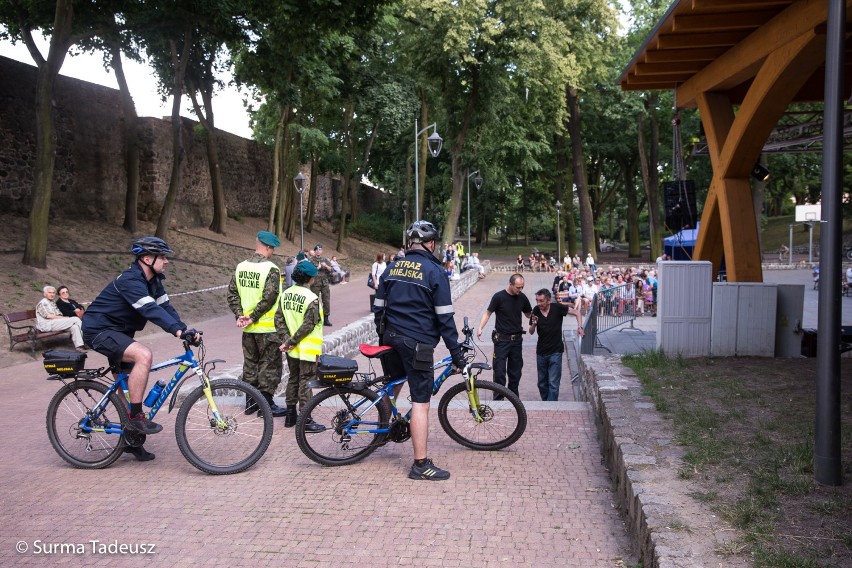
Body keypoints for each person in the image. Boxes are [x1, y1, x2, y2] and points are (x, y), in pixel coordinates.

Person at [82, 237, 195, 462]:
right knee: (144, 355)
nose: (166, 261)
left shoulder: (153, 281)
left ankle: (130, 440)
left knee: (125, 387)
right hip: (99, 330)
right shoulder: (130, 281)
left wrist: (184, 329)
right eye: (162, 257)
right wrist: (177, 332)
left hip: (120, 333)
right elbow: (150, 309)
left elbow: (165, 307)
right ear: (146, 258)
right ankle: (136, 417)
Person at [373, 220, 466, 481]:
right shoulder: (434, 271)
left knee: (392, 385)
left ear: (410, 243)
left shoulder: (391, 267)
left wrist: (384, 336)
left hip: (390, 338)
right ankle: (420, 465)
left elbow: (378, 308)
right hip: (418, 343)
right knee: (421, 403)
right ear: (432, 243)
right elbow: (445, 319)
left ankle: (380, 432)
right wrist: (456, 354)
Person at [227, 231, 287, 418]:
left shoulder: (241, 267)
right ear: (268, 247)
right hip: (268, 328)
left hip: (248, 329)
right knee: (269, 366)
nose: (272, 252)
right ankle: (266, 404)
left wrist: (240, 315)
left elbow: (232, 295)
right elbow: (269, 298)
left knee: (250, 365)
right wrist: (253, 316)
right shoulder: (271, 269)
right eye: (272, 249)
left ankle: (250, 403)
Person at [276, 261, 325, 431]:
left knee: (293, 379)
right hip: (307, 349)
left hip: (292, 350)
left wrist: (286, 341)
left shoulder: (286, 294)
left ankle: (290, 415)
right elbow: (308, 325)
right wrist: (291, 342)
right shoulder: (312, 298)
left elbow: (278, 320)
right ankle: (306, 420)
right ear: (310, 279)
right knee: (306, 382)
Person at [477, 274, 532, 397]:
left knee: (515, 372)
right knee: (499, 371)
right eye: (518, 287)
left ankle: (514, 399)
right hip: (501, 340)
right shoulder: (499, 297)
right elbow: (488, 313)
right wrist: (480, 327)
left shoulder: (522, 298)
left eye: (522, 287)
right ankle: (498, 399)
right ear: (510, 284)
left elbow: (529, 314)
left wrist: (536, 315)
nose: (520, 290)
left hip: (517, 341)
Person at [528, 289, 583, 401]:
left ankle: (550, 406)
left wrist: (580, 327)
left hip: (555, 351)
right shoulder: (536, 310)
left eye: (541, 301)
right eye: (537, 300)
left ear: (548, 300)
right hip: (541, 352)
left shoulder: (557, 308)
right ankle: (546, 403)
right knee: (542, 383)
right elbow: (531, 331)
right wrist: (534, 324)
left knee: (553, 383)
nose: (538, 303)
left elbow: (577, 313)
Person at [36, 286, 86, 352]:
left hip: (55, 323)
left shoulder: (52, 302)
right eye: (49, 293)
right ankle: (87, 339)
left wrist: (64, 318)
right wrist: (63, 318)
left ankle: (79, 346)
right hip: (46, 324)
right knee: (75, 319)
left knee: (75, 327)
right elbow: (48, 316)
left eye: (53, 293)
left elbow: (59, 314)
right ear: (45, 294)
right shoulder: (43, 303)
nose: (52, 294)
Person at [309, 244, 333, 326]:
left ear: (322, 251)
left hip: (324, 283)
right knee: (315, 301)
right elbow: (309, 271)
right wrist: (318, 268)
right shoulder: (311, 260)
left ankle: (326, 318)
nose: (319, 251)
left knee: (326, 300)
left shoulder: (325, 259)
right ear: (315, 251)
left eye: (320, 249)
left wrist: (325, 266)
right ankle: (315, 318)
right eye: (317, 249)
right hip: (315, 283)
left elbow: (331, 269)